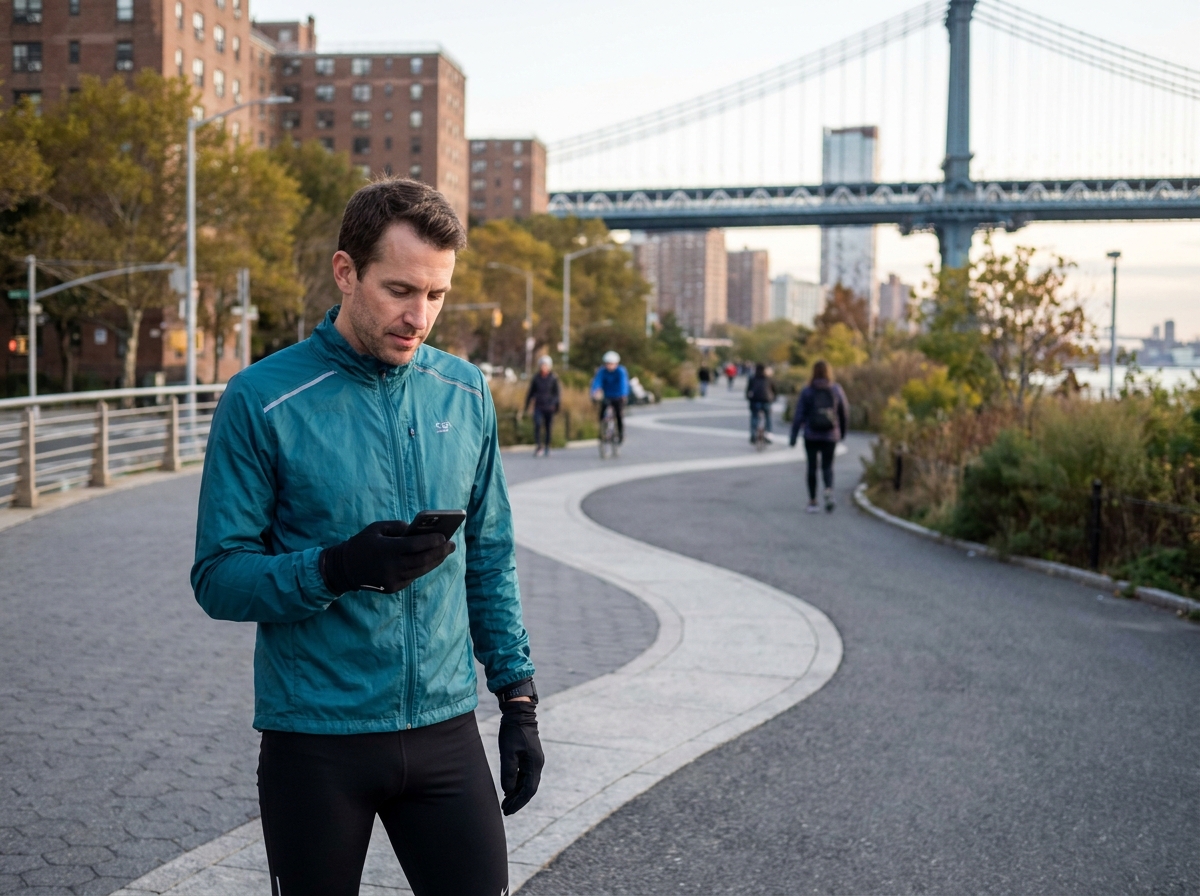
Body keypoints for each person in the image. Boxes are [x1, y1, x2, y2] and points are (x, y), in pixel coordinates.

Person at [192, 178, 542, 896]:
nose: (419, 317)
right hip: (316, 740)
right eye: (400, 290)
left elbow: (490, 559)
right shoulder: (262, 398)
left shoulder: (467, 392)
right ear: (345, 272)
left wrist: (517, 699)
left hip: (446, 733)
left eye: (437, 296)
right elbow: (218, 576)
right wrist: (338, 566)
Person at [789, 359, 849, 513]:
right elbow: (843, 412)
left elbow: (799, 415)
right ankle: (828, 490)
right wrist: (842, 432)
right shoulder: (836, 389)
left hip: (811, 435)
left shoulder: (807, 390)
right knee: (828, 466)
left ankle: (813, 501)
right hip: (830, 435)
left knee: (812, 467)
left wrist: (794, 436)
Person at [524, 355, 560, 457]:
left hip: (549, 406)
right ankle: (539, 446)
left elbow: (557, 393)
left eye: (545, 365)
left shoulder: (553, 378)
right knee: (538, 424)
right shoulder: (536, 378)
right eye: (542, 365)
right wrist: (526, 406)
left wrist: (556, 405)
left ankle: (547, 446)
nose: (543, 367)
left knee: (548, 427)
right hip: (539, 406)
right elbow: (530, 392)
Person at [591, 350, 630, 444]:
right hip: (607, 395)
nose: (610, 366)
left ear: (616, 363)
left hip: (618, 395)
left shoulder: (621, 371)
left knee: (619, 415)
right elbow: (597, 382)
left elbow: (623, 384)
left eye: (612, 364)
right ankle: (602, 431)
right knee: (602, 413)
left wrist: (623, 395)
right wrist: (595, 391)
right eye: (608, 364)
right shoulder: (602, 371)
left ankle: (620, 434)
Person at [745, 362, 776, 444]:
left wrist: (748, 398)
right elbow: (774, 390)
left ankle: (753, 434)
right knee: (768, 417)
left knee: (754, 417)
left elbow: (748, 390)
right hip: (766, 400)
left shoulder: (752, 378)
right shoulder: (768, 378)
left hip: (755, 400)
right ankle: (769, 434)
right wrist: (773, 398)